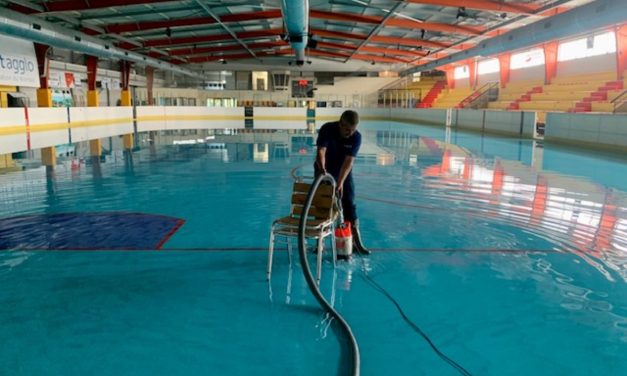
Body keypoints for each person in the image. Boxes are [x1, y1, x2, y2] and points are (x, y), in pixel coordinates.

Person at [314, 110, 370, 255]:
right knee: (322, 204)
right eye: (347, 129)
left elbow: (349, 162)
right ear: (341, 123)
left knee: (349, 203)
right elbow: (321, 152)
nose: (350, 133)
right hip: (323, 170)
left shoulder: (356, 137)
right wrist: (323, 172)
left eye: (353, 130)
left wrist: (340, 182)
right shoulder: (328, 129)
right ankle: (319, 243)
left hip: (343, 172)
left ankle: (357, 242)